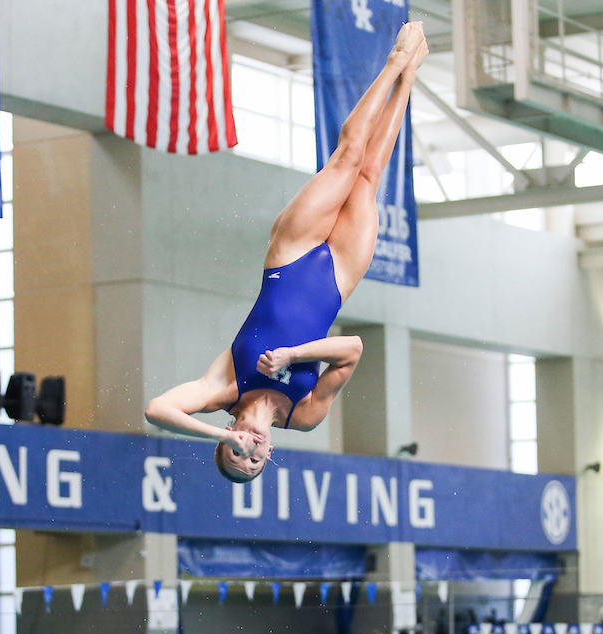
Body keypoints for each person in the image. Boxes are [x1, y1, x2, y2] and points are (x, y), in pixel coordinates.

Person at [143, 23, 430, 483]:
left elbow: (156, 410)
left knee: (347, 158)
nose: (249, 452)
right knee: (370, 175)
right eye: (255, 462)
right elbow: (352, 349)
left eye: (236, 454)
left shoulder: (223, 389)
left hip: (291, 257)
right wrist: (291, 357)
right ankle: (411, 73)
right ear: (270, 454)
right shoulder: (304, 415)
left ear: (229, 437)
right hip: (337, 278)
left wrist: (215, 434)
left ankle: (394, 61)